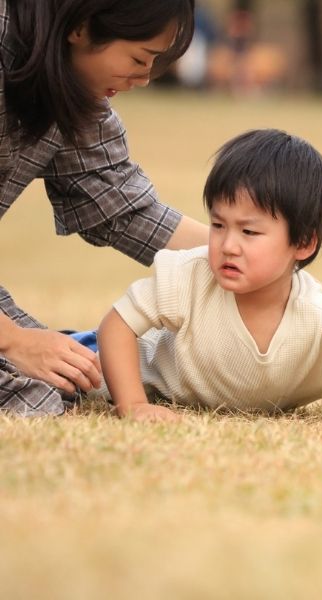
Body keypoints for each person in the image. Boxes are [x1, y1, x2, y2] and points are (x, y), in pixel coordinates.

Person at [96, 129, 322, 432]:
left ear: (303, 243)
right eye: (218, 225)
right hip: (116, 370)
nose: (227, 245)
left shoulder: (319, 319)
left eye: (249, 231)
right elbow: (117, 325)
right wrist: (134, 404)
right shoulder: (191, 275)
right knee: (69, 374)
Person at [0, 0, 209, 417]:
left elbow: (125, 207)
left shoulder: (66, 84)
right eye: (139, 57)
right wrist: (13, 340)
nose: (146, 78)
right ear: (81, 26)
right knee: (29, 397)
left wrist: (268, 262)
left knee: (67, 380)